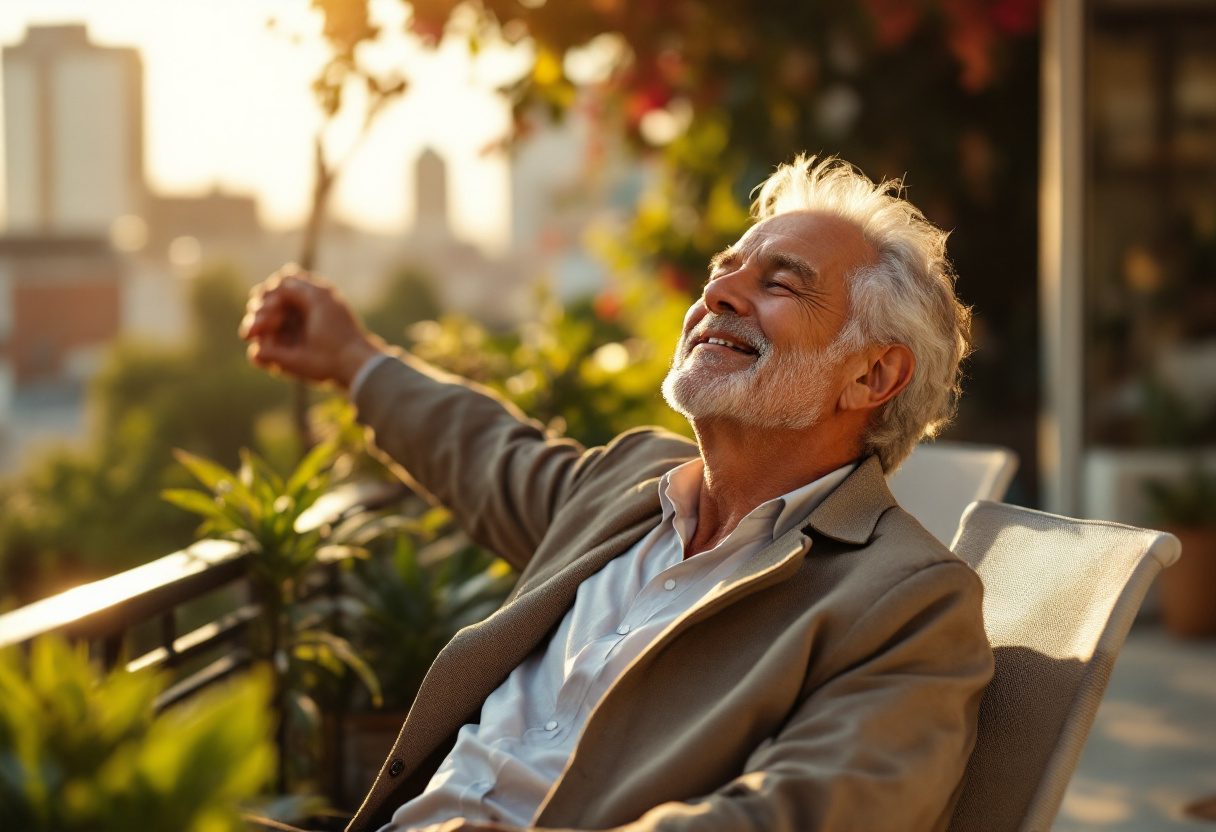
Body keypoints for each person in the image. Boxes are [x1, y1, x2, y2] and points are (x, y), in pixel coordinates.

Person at [241, 155, 994, 832]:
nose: (719, 293)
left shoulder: (908, 599)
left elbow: (817, 811)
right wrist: (351, 357)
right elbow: (484, 454)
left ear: (872, 376)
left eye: (780, 283)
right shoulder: (629, 485)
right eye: (725, 269)